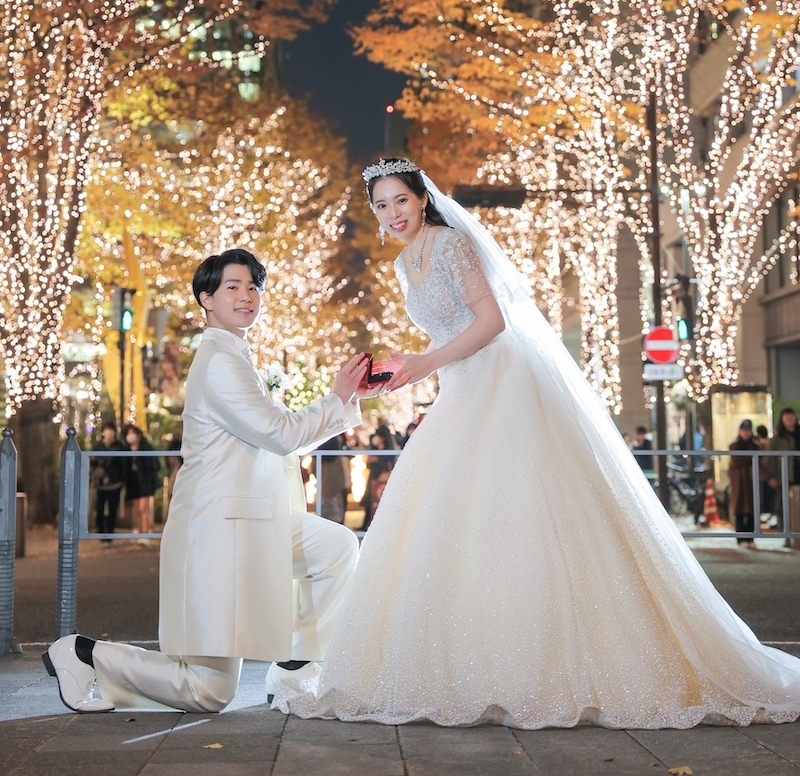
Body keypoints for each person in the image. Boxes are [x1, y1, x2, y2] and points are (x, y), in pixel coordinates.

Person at [272, 157, 800, 729]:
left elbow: (492, 320)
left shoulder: (451, 245)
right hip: (460, 384)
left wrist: (426, 362)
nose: (392, 213)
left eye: (400, 199)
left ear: (422, 198)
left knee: (523, 500)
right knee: (454, 510)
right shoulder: (405, 263)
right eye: (381, 205)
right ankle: (466, 661)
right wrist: (413, 364)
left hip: (501, 379)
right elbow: (446, 333)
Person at [44, 247, 371, 713]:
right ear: (206, 299)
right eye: (232, 287)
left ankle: (297, 665)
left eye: (254, 287)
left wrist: (340, 403)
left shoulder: (237, 358)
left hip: (249, 520)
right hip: (218, 534)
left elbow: (282, 439)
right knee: (208, 691)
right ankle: (83, 653)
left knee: (336, 548)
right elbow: (281, 435)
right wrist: (337, 397)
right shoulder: (220, 362)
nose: (247, 296)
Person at [122, 423, 162, 539]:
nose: (131, 436)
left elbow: (153, 464)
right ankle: (140, 532)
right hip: (133, 483)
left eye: (132, 433)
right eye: (128, 433)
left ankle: (145, 534)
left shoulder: (146, 447)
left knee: (142, 508)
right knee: (137, 509)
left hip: (146, 482)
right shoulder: (126, 448)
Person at [767, 407, 800, 542]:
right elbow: (771, 458)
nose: (789, 419)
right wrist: (771, 476)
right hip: (785, 476)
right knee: (784, 507)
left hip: (798, 473)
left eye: (791, 416)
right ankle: (788, 536)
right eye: (786, 416)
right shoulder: (778, 438)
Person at [728, 420, 761, 549]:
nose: (746, 433)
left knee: (752, 510)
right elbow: (737, 460)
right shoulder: (734, 446)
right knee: (740, 510)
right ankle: (741, 538)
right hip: (739, 482)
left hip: (752, 481)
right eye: (744, 430)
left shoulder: (755, 446)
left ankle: (750, 538)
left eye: (748, 430)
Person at [91, 423, 124, 539]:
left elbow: (123, 463)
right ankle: (100, 530)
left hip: (115, 482)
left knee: (112, 508)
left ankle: (109, 531)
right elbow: (92, 461)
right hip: (100, 482)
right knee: (99, 507)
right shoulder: (98, 445)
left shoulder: (119, 446)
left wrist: (119, 477)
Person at [360, 425, 397, 529]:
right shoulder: (374, 449)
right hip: (373, 477)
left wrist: (378, 461)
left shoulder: (389, 449)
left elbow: (390, 464)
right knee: (370, 501)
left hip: (383, 479)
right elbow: (368, 465)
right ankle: (366, 524)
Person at [319, 434, 351, 525]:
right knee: (334, 502)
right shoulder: (333, 436)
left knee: (333, 501)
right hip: (333, 473)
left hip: (332, 474)